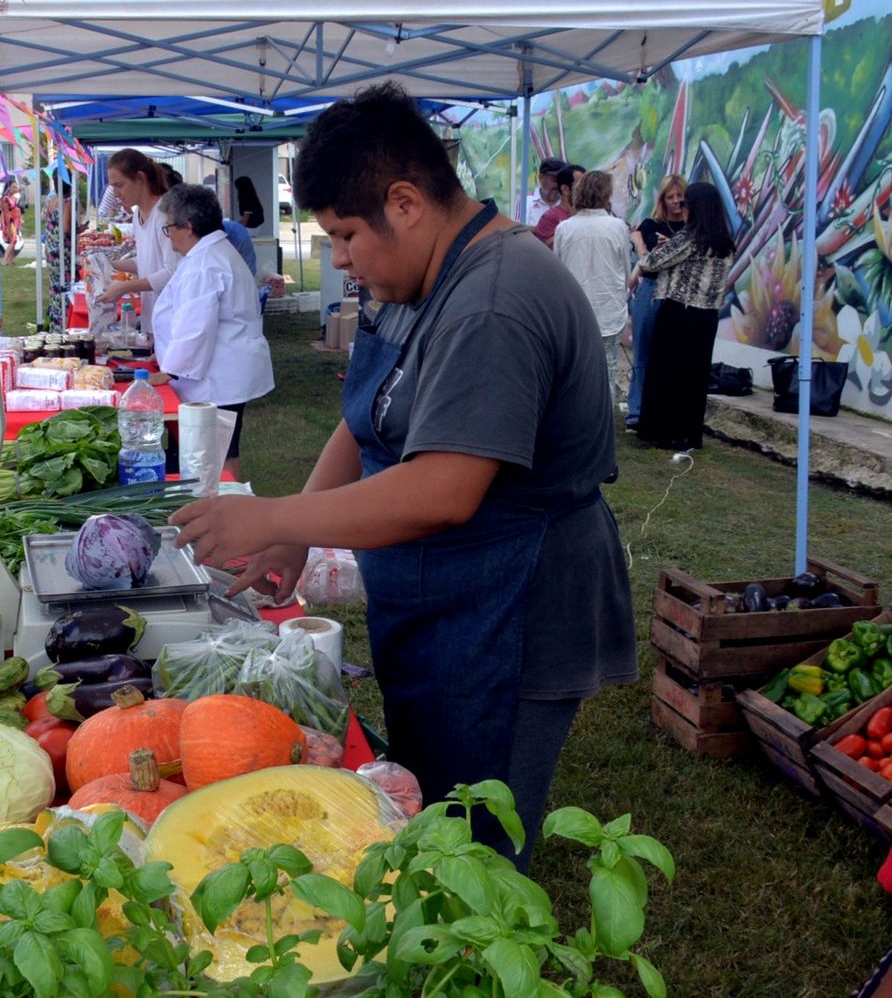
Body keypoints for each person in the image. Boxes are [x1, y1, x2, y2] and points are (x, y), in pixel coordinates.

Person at [169, 83, 636, 869]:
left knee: (478, 849)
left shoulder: (494, 298)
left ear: (407, 202)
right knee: (430, 815)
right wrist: (297, 533)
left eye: (347, 234)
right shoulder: (414, 278)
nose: (341, 256)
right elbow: (367, 415)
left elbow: (442, 490)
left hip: (513, 609)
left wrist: (276, 518)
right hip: (445, 604)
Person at [148, 183, 275, 481]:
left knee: (216, 457)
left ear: (188, 227)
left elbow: (196, 327)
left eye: (169, 229)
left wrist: (170, 369)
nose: (169, 239)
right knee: (221, 452)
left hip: (217, 378)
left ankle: (232, 513)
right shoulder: (214, 253)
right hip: (222, 372)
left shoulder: (205, 264)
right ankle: (229, 508)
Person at [635, 182, 736, 451]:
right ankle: (688, 433)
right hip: (707, 315)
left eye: (685, 203)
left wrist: (640, 245)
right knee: (694, 376)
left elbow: (650, 264)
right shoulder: (724, 241)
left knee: (668, 373)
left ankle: (665, 432)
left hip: (680, 310)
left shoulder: (690, 237)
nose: (682, 208)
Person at [554, 170, 631, 402]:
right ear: (605, 194)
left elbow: (558, 272)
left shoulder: (564, 228)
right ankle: (602, 423)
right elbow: (625, 271)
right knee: (606, 370)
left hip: (574, 312)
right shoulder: (618, 227)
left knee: (574, 371)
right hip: (608, 309)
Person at [625, 174, 688, 428]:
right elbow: (644, 264)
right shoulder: (650, 225)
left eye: (679, 197)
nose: (675, 202)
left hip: (678, 291)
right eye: (670, 197)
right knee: (642, 350)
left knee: (673, 353)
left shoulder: (690, 229)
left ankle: (665, 410)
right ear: (662, 200)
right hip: (651, 288)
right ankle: (637, 409)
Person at [96, 149, 179, 333]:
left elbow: (173, 272)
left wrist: (125, 287)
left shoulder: (165, 214)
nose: (115, 193)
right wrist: (107, 263)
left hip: (172, 317)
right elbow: (145, 261)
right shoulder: (137, 215)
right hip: (153, 315)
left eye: (120, 185)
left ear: (140, 178)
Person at [40, 179, 79, 332]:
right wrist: (80, 229)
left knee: (55, 287)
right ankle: (65, 325)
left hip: (51, 249)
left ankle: (55, 325)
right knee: (66, 287)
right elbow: (65, 229)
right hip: (63, 252)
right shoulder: (67, 203)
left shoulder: (52, 201)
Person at [534, 163, 585, 246]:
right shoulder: (549, 217)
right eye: (581, 186)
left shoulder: (590, 214)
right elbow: (545, 249)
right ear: (565, 189)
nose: (587, 190)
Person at [524, 156, 567, 227]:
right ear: (541, 178)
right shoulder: (526, 201)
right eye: (555, 180)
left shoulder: (569, 203)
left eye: (562, 180)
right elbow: (517, 231)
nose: (558, 185)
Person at [0, 177, 23, 267]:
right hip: (9, 221)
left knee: (14, 241)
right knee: (13, 240)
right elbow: (6, 214)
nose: (16, 189)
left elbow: (19, 191)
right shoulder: (5, 199)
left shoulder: (13, 197)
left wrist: (18, 189)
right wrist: (8, 228)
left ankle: (11, 260)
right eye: (13, 187)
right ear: (8, 188)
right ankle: (4, 261)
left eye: (15, 187)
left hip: (15, 221)